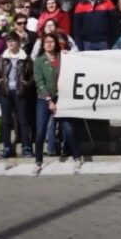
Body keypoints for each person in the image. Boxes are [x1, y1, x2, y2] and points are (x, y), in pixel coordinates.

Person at [34, 33, 82, 171]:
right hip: (44, 99)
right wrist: (49, 100)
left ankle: (77, 157)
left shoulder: (63, 57)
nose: (49, 44)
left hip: (61, 97)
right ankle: (38, 161)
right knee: (41, 131)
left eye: (51, 42)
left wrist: (69, 55)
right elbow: (39, 81)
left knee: (68, 128)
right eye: (46, 42)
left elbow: (75, 62)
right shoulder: (39, 61)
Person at [0, 32, 34, 158]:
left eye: (13, 41)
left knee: (23, 120)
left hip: (19, 91)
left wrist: (26, 84)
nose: (10, 44)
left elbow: (33, 75)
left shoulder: (25, 58)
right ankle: (7, 147)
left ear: (18, 42)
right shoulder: (3, 57)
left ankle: (26, 147)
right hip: (5, 92)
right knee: (6, 121)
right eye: (8, 42)